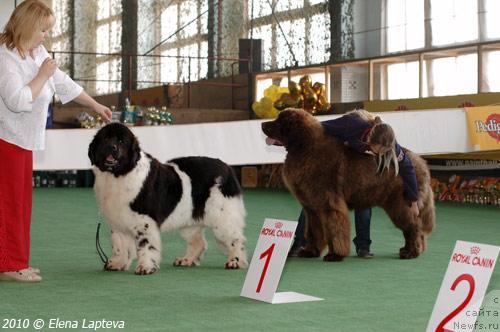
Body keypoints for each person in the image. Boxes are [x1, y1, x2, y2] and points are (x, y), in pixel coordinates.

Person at [0, 0, 112, 282]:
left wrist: (95, 105)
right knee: (9, 204)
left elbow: (64, 83)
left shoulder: (37, 53)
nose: (46, 35)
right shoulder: (5, 58)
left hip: (22, 140)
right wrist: (42, 75)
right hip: (6, 140)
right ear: (28, 26)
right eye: (43, 29)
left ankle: (17, 260)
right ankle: (10, 265)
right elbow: (18, 101)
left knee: (22, 204)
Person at [288, 109, 419, 259]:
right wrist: (287, 139)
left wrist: (413, 200)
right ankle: (299, 243)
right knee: (313, 202)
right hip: (336, 163)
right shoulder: (351, 124)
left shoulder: (389, 144)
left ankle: (363, 247)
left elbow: (407, 168)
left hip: (359, 171)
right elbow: (315, 128)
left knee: (364, 201)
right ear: (370, 137)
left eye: (383, 153)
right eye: (377, 151)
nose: (379, 155)